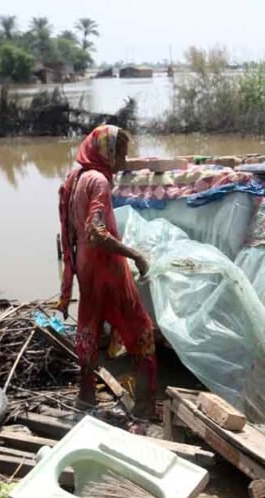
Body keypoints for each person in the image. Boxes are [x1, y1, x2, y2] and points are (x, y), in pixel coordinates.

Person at [57, 125, 157, 418]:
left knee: (88, 329)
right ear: (106, 152)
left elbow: (77, 231)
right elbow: (96, 233)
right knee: (142, 333)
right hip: (107, 269)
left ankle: (86, 397)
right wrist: (135, 254)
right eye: (120, 154)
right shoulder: (99, 181)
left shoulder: (76, 177)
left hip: (86, 268)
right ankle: (144, 409)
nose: (123, 162)